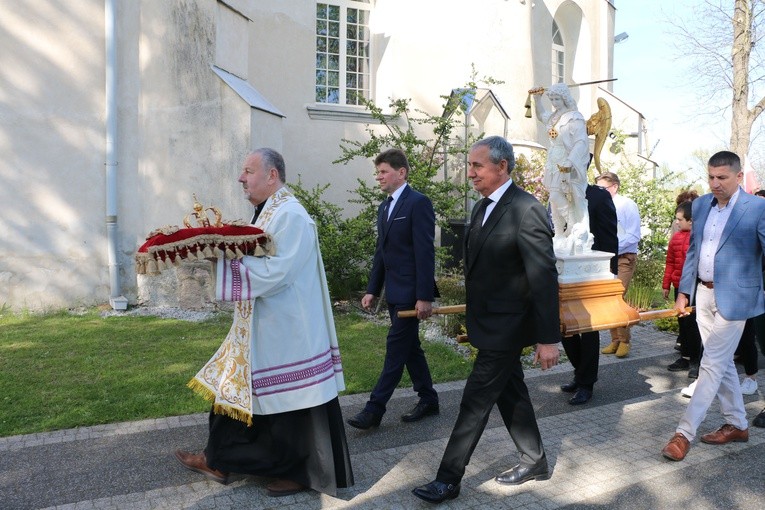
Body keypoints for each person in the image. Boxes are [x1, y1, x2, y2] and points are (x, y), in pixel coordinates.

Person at [174, 148, 354, 496]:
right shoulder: (269, 213)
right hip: (263, 323)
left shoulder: (291, 215)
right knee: (234, 388)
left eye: (249, 171)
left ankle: (301, 472)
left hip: (287, 328)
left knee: (290, 406)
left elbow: (278, 271)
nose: (242, 177)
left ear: (272, 176)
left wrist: (222, 262)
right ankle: (219, 459)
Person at [412, 136, 560, 504]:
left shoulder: (527, 209)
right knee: (511, 393)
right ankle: (535, 460)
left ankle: (448, 478)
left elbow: (543, 278)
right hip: (488, 322)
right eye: (470, 165)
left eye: (477, 166)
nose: (470, 172)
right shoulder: (481, 209)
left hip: (508, 328)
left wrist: (547, 338)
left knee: (474, 402)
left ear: (502, 167)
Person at [661, 150, 765, 462]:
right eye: (711, 177)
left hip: (737, 298)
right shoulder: (701, 205)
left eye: (721, 178)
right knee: (720, 365)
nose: (715, 183)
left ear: (736, 176)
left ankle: (684, 434)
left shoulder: (758, 208)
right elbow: (694, 249)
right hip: (703, 294)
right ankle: (737, 424)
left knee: (710, 362)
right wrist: (684, 291)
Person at [347, 148, 440, 429]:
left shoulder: (418, 203)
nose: (379, 177)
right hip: (393, 293)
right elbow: (381, 253)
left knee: (395, 350)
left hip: (411, 295)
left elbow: (425, 253)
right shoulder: (385, 207)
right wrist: (372, 290)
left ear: (402, 173)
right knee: (411, 349)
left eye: (384, 172)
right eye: (377, 173)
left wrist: (424, 296)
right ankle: (429, 398)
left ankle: (374, 410)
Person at [560, 183, 618, 405]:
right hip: (563, 269)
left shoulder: (597, 196)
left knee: (588, 329)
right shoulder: (558, 194)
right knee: (565, 326)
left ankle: (587, 383)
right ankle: (579, 373)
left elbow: (609, 235)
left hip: (590, 273)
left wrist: (610, 272)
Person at [529, 83, 591, 254]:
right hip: (552, 160)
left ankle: (572, 225)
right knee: (553, 199)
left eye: (557, 99)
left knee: (558, 195)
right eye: (552, 99)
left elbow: (581, 142)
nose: (555, 102)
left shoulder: (574, 117)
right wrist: (537, 99)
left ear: (565, 98)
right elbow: (542, 115)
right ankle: (558, 234)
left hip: (566, 161)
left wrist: (571, 161)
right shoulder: (554, 117)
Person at [596, 171, 641, 358]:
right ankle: (615, 339)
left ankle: (624, 340)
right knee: (608, 299)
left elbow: (633, 235)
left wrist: (612, 246)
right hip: (607, 258)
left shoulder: (627, 205)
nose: (599, 192)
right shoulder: (601, 205)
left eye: (602, 188)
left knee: (617, 298)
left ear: (614, 186)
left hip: (624, 257)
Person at [662, 201, 702, 378]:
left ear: (691, 220)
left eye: (680, 219)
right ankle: (684, 356)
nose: (677, 222)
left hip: (693, 288)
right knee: (682, 324)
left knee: (693, 324)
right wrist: (666, 284)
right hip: (678, 286)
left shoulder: (699, 237)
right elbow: (670, 262)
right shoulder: (676, 238)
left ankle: (696, 360)